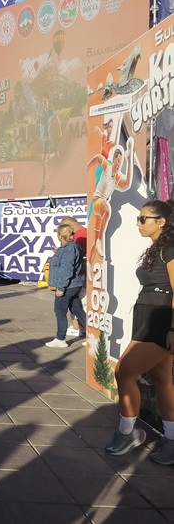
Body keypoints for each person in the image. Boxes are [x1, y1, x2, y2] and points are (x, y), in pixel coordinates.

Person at [105, 200, 174, 464]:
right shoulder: (158, 248)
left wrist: (172, 328)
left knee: (124, 372)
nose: (138, 223)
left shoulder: (170, 247)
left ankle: (128, 433)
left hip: (161, 320)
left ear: (161, 222)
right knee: (161, 378)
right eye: (138, 218)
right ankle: (171, 440)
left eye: (143, 218)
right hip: (149, 316)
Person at [87, 137, 135, 275]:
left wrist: (129, 159)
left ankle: (89, 263)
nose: (119, 164)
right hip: (97, 202)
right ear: (114, 159)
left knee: (95, 240)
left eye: (121, 162)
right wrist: (88, 165)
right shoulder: (107, 168)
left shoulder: (117, 178)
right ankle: (99, 242)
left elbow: (127, 184)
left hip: (100, 210)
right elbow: (98, 157)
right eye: (118, 161)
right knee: (107, 209)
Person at [45, 224, 86, 348]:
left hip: (67, 286)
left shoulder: (69, 249)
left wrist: (61, 288)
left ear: (60, 236)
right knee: (77, 310)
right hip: (74, 285)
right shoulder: (72, 247)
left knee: (60, 311)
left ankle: (60, 339)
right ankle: (93, 334)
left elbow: (66, 269)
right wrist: (58, 251)